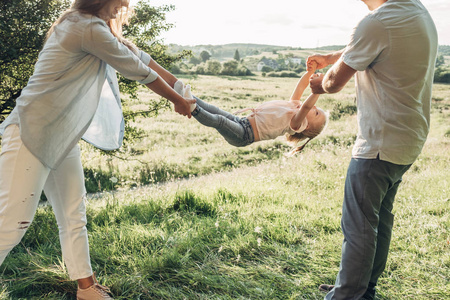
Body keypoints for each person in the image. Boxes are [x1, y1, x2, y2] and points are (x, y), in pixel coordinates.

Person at [0, 0, 194, 299]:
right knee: (12, 224)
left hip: (61, 136)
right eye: (121, 1)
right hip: (30, 131)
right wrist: (176, 99)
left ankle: (87, 288)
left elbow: (141, 57)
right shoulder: (84, 27)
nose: (123, 7)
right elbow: (137, 70)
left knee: (73, 213)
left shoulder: (97, 28)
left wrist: (179, 84)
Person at [307, 0, 438, 299]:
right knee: (379, 219)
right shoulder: (415, 11)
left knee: (359, 228)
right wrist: (331, 56)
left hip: (379, 143)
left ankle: (347, 294)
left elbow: (332, 83)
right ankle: (363, 289)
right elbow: (376, 43)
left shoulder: (377, 21)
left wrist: (318, 83)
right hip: (408, 137)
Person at [178, 65, 328, 155]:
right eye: (317, 108)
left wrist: (318, 90)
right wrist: (310, 72)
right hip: (241, 122)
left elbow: (307, 106)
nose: (314, 107)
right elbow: (301, 87)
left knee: (220, 121)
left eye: (316, 113)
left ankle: (193, 108)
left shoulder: (295, 125)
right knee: (215, 110)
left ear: (306, 125)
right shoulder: (293, 105)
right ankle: (189, 96)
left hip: (243, 135)